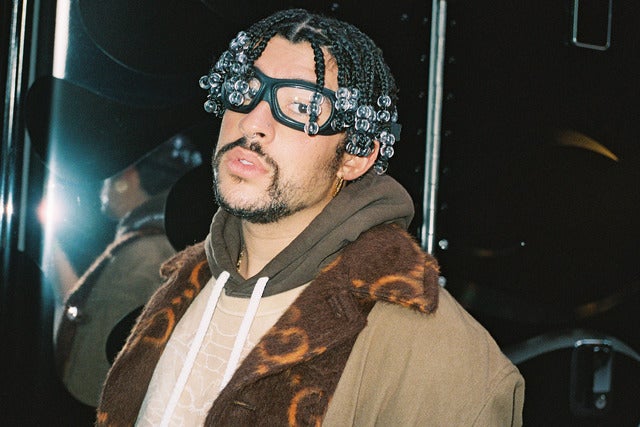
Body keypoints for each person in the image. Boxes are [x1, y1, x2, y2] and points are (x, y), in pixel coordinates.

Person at [97, 9, 525, 426]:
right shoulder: (183, 286)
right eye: (247, 90)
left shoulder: (433, 357)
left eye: (302, 107)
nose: (253, 123)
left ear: (355, 157)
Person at [49, 136, 202, 408]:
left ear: (129, 174)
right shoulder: (164, 245)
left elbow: (90, 376)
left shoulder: (143, 256)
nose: (104, 182)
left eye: (110, 170)